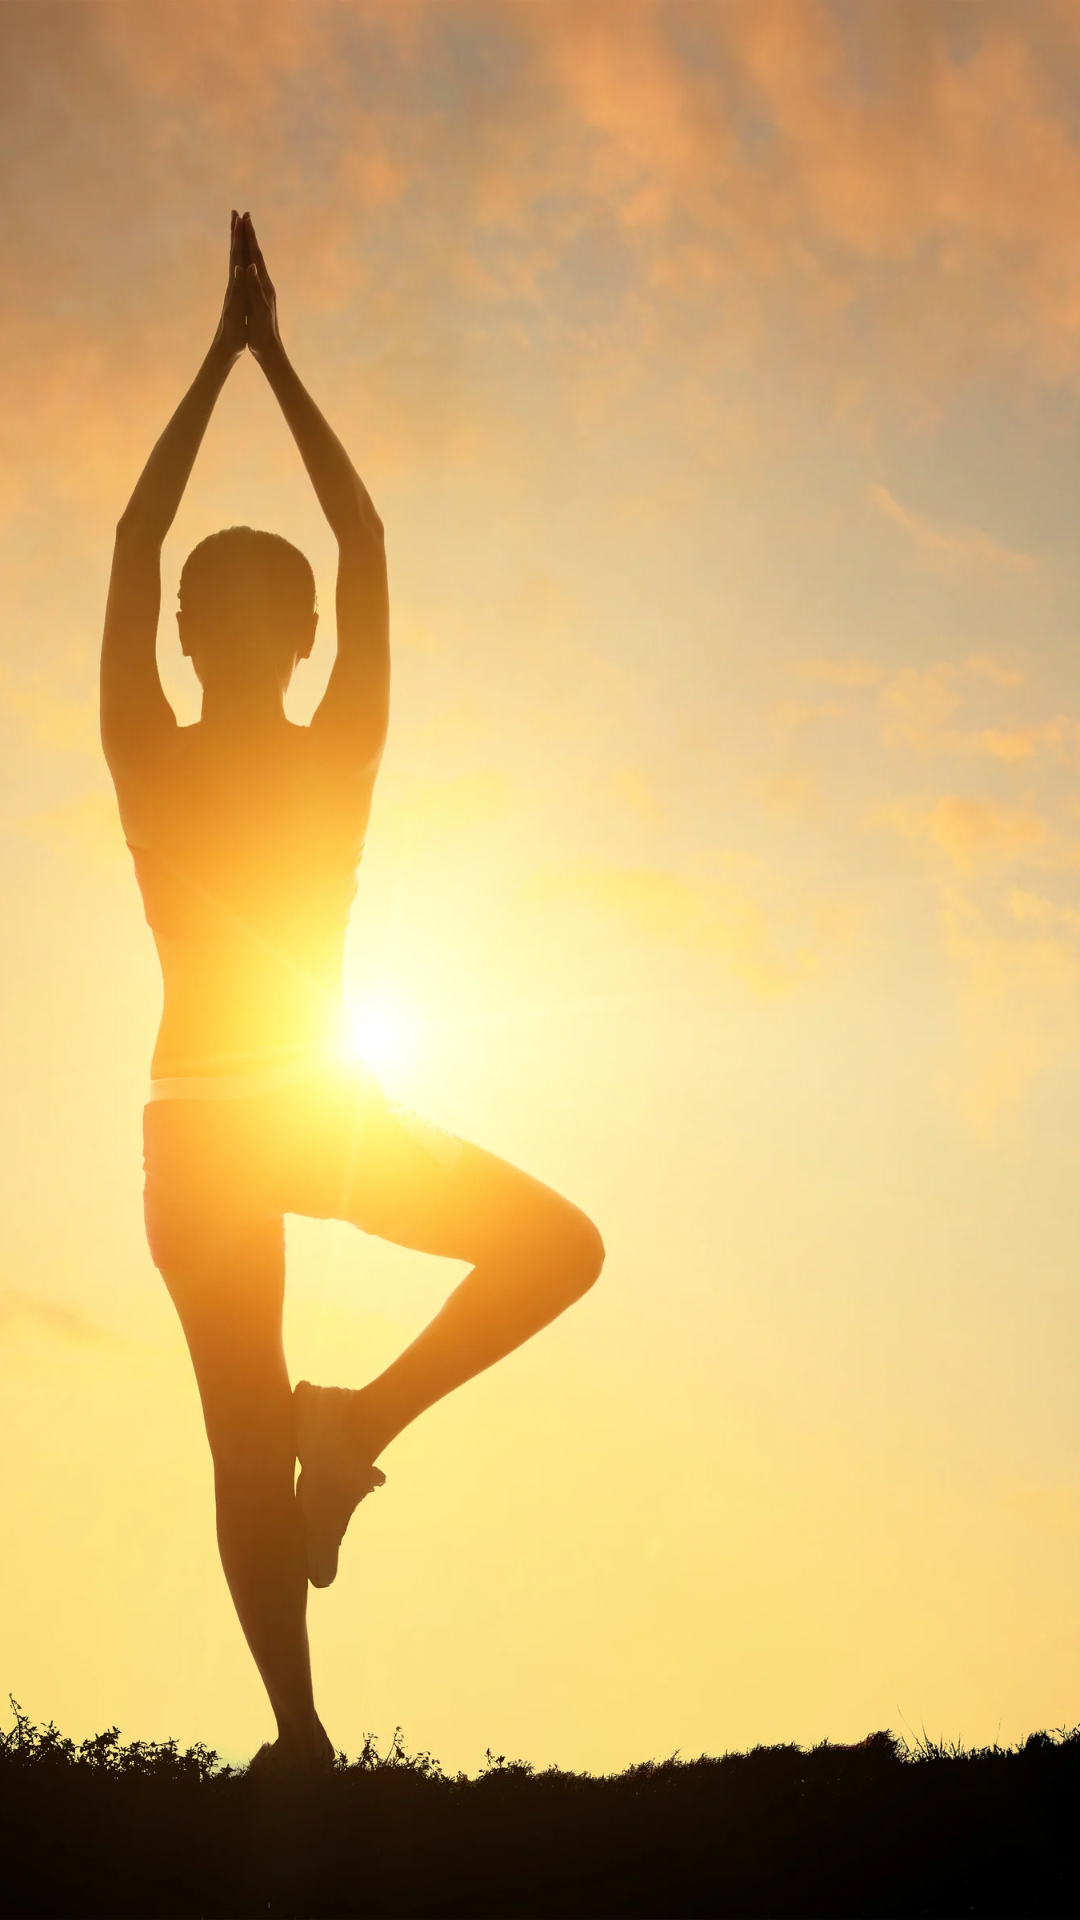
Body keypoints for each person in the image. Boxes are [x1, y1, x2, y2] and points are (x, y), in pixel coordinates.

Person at [100, 212, 604, 1775]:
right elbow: (363, 546)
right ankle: (360, 1429)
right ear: (304, 637)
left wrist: (226, 356)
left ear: (192, 639)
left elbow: (134, 546)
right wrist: (269, 353)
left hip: (208, 1129)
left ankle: (300, 1733)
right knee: (557, 1250)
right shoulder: (329, 756)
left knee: (241, 1441)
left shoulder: (153, 755)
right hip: (303, 1116)